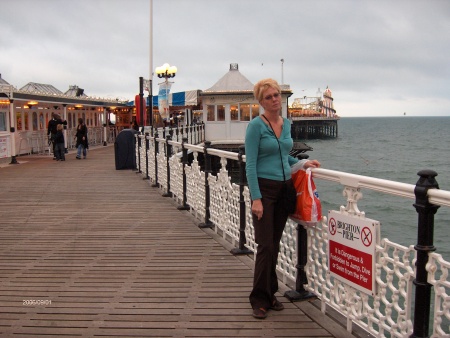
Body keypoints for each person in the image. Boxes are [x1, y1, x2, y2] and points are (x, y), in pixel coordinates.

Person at [245, 78, 321, 319]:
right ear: (261, 101)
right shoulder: (256, 126)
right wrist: (256, 198)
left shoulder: (285, 123)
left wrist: (302, 163)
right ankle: (258, 298)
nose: (275, 99)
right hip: (265, 191)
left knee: (274, 244)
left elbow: (282, 155)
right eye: (269, 97)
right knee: (265, 245)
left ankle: (270, 294)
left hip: (284, 189)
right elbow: (252, 163)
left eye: (277, 95)